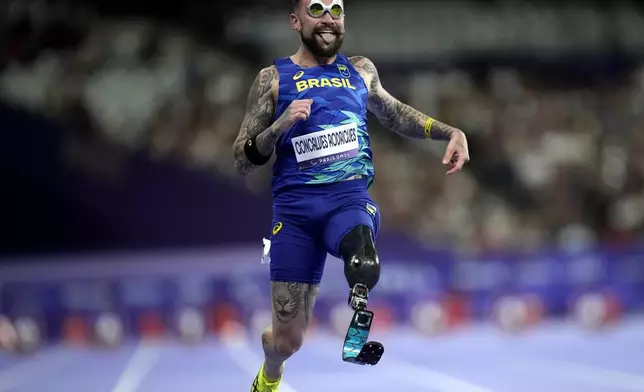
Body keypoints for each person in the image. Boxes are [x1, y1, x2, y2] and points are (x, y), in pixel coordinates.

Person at [232, 0, 470, 390]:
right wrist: (280, 125)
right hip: (294, 214)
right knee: (286, 341)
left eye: (337, 10)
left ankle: (357, 328)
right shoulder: (272, 79)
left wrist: (449, 132)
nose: (328, 18)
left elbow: (395, 113)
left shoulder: (360, 70)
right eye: (317, 9)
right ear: (295, 20)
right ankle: (270, 372)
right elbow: (242, 159)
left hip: (348, 200)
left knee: (363, 258)